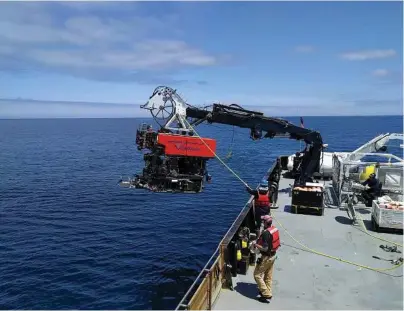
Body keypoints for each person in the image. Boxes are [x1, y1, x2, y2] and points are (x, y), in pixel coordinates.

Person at [251, 215, 280, 302]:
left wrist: (255, 244)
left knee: (257, 275)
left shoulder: (266, 233)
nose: (262, 223)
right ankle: (267, 290)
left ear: (265, 223)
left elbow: (265, 248)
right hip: (273, 255)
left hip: (266, 257)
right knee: (268, 275)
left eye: (263, 221)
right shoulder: (274, 229)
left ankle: (267, 294)